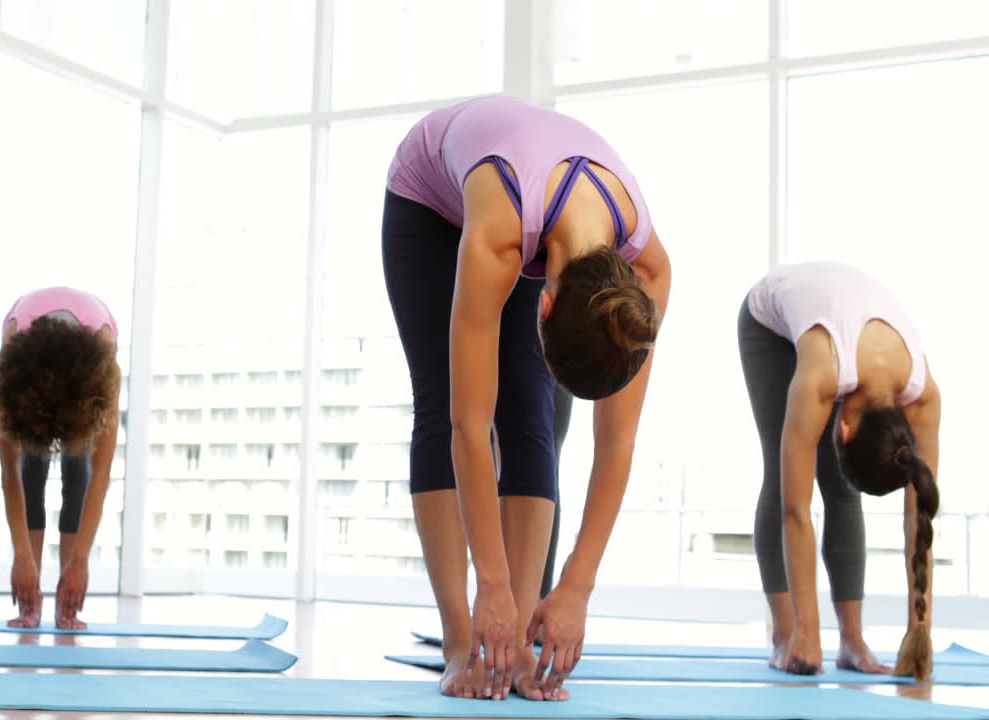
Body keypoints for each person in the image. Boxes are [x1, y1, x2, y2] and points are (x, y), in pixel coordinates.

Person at [382, 95, 672, 701]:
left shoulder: (646, 275)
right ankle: (464, 643)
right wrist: (491, 584)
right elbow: (469, 426)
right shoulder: (499, 239)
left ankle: (508, 646)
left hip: (533, 196)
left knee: (533, 412)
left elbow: (617, 440)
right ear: (545, 303)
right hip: (430, 201)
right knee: (444, 404)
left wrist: (576, 586)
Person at [737, 261, 940, 681]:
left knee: (842, 493)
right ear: (843, 430)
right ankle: (785, 633)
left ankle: (852, 641)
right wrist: (806, 633)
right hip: (769, 325)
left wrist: (918, 635)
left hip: (839, 320)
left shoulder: (924, 395)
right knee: (784, 477)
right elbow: (796, 510)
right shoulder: (820, 377)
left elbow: (919, 522)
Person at [0, 287, 122, 630]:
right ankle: (30, 601)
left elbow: (102, 473)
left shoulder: (103, 364)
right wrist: (21, 556)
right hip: (30, 371)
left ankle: (68, 604)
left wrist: (80, 562)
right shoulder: (9, 364)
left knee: (78, 469)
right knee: (30, 469)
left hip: (84, 373)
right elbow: (10, 473)